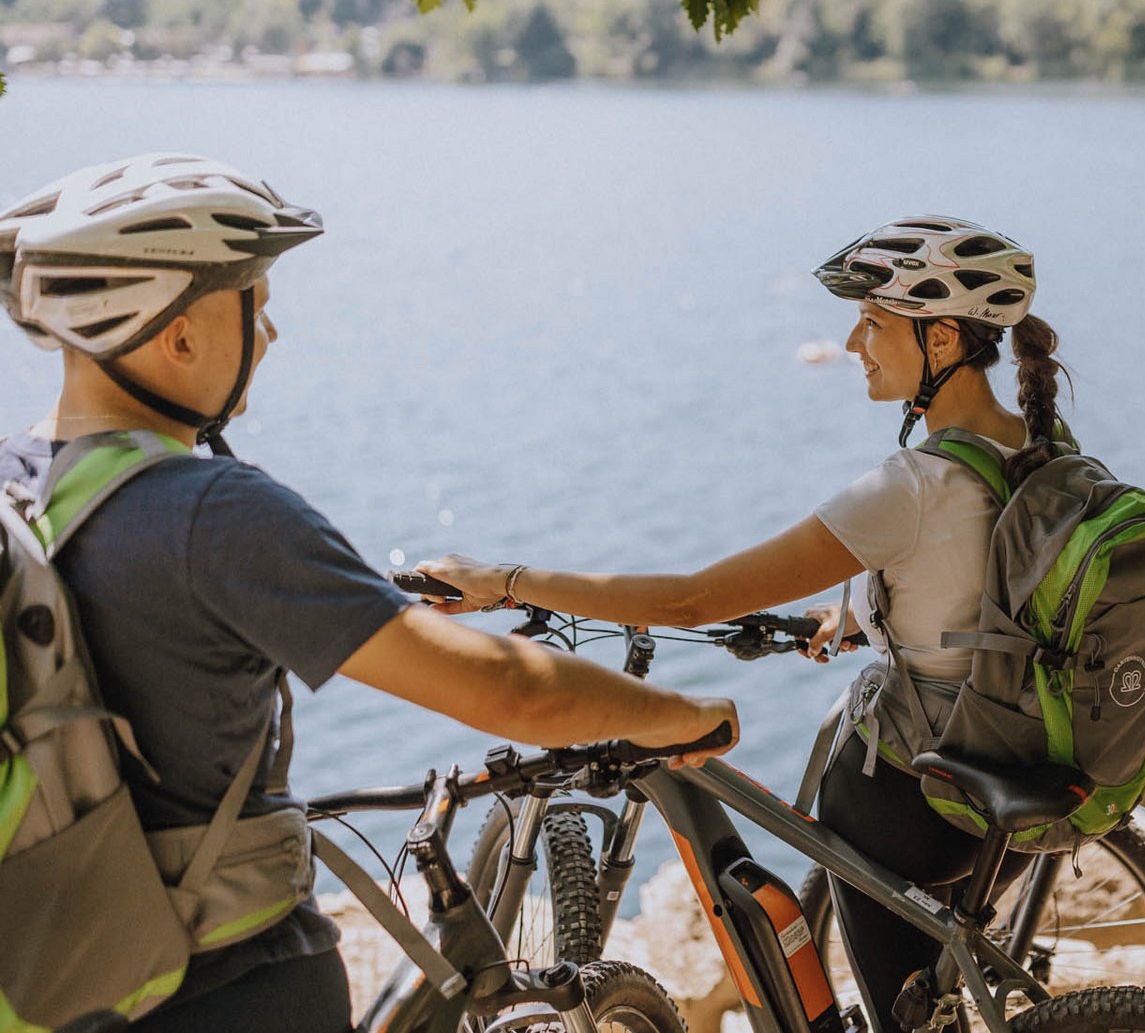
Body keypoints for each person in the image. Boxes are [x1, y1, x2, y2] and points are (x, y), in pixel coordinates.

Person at [0, 153, 738, 1033]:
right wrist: (682, 714)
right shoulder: (212, 512)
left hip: (57, 976)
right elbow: (505, 689)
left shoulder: (15, 490)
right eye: (257, 309)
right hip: (233, 984)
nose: (270, 337)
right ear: (180, 335)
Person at [416, 215, 1069, 1033]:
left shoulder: (912, 486)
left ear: (941, 340)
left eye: (873, 322)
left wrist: (503, 582)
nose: (853, 340)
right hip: (1028, 768)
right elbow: (992, 596)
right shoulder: (1048, 451)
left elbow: (690, 600)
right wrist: (867, 617)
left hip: (912, 808)